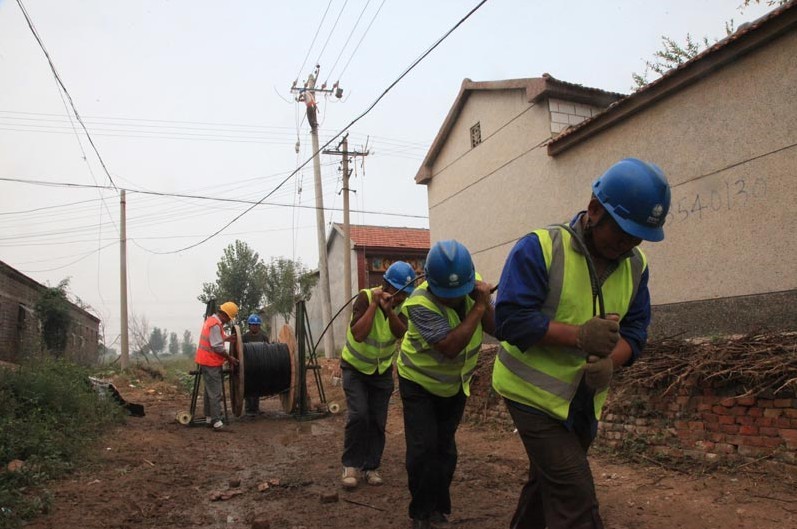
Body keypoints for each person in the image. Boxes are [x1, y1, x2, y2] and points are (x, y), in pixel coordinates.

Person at [492, 158, 671, 529]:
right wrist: (577, 336)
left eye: (638, 237)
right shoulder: (541, 247)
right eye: (623, 233)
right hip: (530, 395)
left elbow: (636, 331)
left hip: (581, 402)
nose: (628, 245)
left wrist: (612, 361)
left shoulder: (636, 265)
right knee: (575, 497)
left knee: (547, 486)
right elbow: (508, 320)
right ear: (594, 211)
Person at [397, 240, 495, 529]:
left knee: (445, 451)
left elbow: (496, 328)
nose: (452, 299)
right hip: (418, 382)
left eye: (458, 292)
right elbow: (450, 347)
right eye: (445, 294)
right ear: (430, 282)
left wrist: (485, 302)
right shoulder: (419, 303)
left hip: (454, 385)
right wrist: (479, 306)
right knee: (422, 449)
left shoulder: (473, 286)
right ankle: (420, 513)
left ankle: (438, 510)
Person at [339, 261, 417, 489]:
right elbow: (359, 334)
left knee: (377, 421)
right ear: (386, 286)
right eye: (398, 292)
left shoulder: (403, 306)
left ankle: (371, 467)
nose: (401, 297)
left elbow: (400, 332)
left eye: (404, 294)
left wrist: (390, 310)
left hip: (381, 372)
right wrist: (374, 305)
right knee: (359, 415)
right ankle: (351, 465)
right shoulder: (364, 298)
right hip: (355, 368)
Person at [195, 301, 240, 430]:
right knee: (215, 392)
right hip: (211, 362)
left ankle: (209, 417)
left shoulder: (211, 320)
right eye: (228, 319)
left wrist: (226, 338)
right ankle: (216, 421)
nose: (228, 321)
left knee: (209, 390)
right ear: (224, 315)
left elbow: (214, 338)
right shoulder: (215, 325)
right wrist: (229, 358)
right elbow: (217, 346)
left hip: (205, 360)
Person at [243, 313, 270, 417]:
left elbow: (268, 351)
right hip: (248, 367)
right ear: (249, 325)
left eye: (257, 325)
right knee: (248, 387)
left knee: (257, 387)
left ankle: (256, 408)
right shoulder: (244, 337)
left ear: (259, 326)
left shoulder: (264, 337)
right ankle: (248, 409)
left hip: (259, 366)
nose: (255, 327)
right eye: (253, 325)